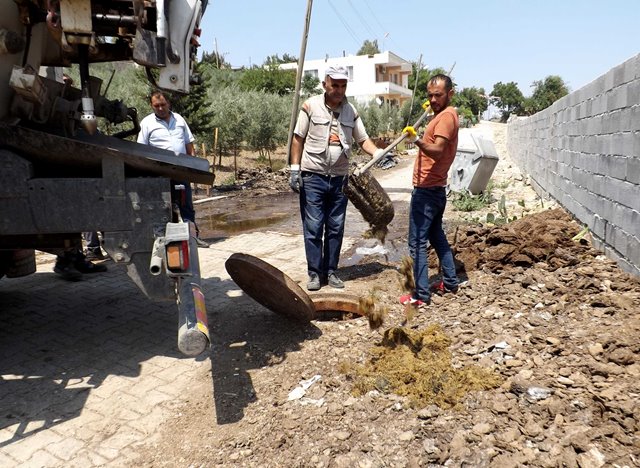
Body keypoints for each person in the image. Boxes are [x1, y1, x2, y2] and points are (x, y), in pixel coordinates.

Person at [290, 65, 383, 291]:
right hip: (314, 176)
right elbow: (297, 138)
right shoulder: (310, 106)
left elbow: (363, 140)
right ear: (325, 84)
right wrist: (294, 169)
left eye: (343, 86)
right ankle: (314, 273)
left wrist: (377, 152)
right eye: (335, 85)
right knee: (313, 226)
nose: (339, 90)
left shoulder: (350, 111)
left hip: (340, 179)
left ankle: (331, 271)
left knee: (335, 227)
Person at [399, 74, 460, 307]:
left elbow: (437, 150)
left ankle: (420, 295)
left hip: (426, 191)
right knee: (437, 236)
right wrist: (432, 112)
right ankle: (451, 282)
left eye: (438, 95)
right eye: (430, 96)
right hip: (436, 189)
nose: (433, 99)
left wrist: (415, 140)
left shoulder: (446, 117)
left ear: (450, 94)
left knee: (417, 243)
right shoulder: (444, 115)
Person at [137, 90, 208, 247]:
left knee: (186, 206)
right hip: (159, 175)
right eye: (156, 106)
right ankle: (166, 242)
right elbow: (141, 150)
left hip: (181, 171)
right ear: (151, 105)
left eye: (163, 105)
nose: (160, 108)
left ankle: (193, 238)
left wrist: (193, 167)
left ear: (168, 103)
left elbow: (189, 145)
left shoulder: (179, 120)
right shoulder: (147, 123)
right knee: (164, 207)